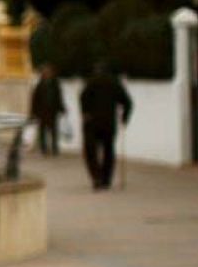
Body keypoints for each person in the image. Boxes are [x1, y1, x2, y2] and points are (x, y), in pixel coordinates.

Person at [79, 62, 133, 190]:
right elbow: (128, 102)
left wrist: (85, 113)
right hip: (109, 123)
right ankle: (106, 179)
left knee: (90, 151)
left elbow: (83, 98)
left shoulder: (91, 82)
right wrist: (124, 118)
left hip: (92, 123)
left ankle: (96, 177)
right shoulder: (114, 83)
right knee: (108, 151)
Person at [28, 64, 66, 156]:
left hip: (52, 111)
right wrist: (33, 112)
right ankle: (44, 149)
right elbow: (34, 100)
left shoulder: (55, 84)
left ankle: (54, 148)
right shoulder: (39, 85)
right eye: (45, 72)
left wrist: (62, 108)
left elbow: (59, 98)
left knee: (54, 131)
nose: (47, 73)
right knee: (43, 131)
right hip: (42, 112)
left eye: (49, 72)